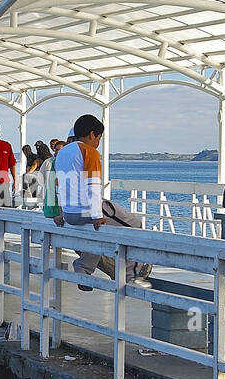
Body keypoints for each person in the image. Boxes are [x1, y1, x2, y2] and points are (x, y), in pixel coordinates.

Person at [53, 113, 152, 288]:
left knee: (99, 232)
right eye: (99, 138)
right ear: (92, 134)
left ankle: (84, 267)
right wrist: (97, 214)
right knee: (135, 225)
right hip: (86, 209)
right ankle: (132, 273)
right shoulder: (89, 151)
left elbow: (59, 185)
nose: (98, 142)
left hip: (69, 213)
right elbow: (93, 186)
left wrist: (61, 212)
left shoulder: (61, 154)